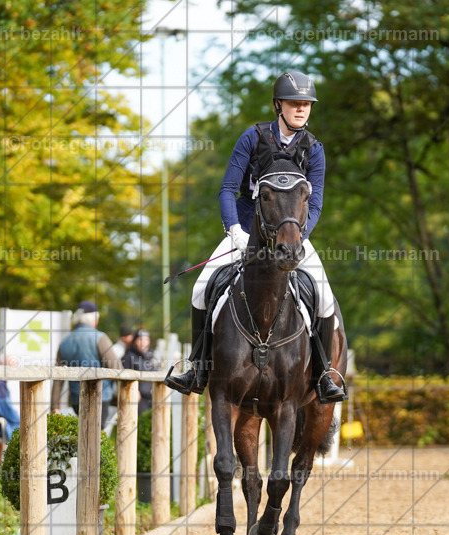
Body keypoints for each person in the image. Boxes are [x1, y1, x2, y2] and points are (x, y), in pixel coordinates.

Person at [164, 70, 347, 403]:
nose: (302, 109)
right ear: (278, 105)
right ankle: (198, 368)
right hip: (246, 230)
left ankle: (323, 376)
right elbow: (228, 189)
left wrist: (300, 236)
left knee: (323, 298)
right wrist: (233, 229)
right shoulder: (253, 137)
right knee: (200, 290)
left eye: (306, 104)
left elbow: (316, 201)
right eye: (295, 103)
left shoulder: (313, 149)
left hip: (291, 236)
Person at [51, 300, 120, 428]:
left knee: (84, 432)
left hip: (77, 398)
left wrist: (54, 406)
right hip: (100, 396)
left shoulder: (65, 341)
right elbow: (116, 368)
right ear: (94, 318)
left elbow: (57, 378)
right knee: (96, 434)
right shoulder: (100, 338)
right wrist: (126, 394)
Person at [121, 328, 159, 414]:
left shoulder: (151, 356)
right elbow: (125, 377)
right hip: (137, 397)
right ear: (135, 341)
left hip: (152, 396)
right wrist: (134, 391)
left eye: (146, 340)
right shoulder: (128, 357)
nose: (144, 342)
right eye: (141, 339)